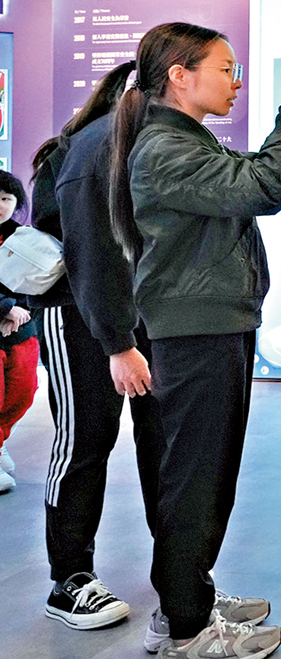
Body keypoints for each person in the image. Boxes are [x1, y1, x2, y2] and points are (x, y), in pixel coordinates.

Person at [108, 22, 281, 659]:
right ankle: (185, 627)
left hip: (211, 324)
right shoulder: (164, 149)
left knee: (203, 475)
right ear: (180, 75)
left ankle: (187, 599)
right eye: (225, 69)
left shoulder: (183, 140)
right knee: (196, 480)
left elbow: (261, 176)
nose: (236, 82)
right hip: (196, 331)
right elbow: (265, 187)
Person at [27, 61, 161, 630]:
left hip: (138, 314)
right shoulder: (86, 148)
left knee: (162, 444)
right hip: (76, 316)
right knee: (83, 442)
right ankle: (69, 580)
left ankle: (181, 578)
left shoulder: (144, 143)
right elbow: (91, 254)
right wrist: (117, 341)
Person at [0, 170, 40, 496]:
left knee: (23, 392)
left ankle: (0, 441)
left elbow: (39, 280)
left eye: (6, 198)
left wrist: (20, 311)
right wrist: (4, 308)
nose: (0, 205)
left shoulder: (24, 237)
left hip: (21, 330)